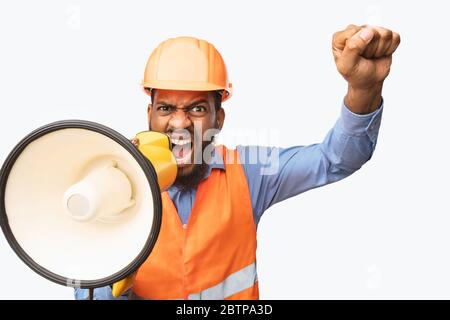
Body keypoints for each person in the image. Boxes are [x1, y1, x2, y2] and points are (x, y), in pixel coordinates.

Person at [75, 24, 400, 300]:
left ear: (219, 118)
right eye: (165, 109)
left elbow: (334, 161)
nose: (179, 123)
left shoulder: (249, 172)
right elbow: (83, 287)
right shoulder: (117, 184)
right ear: (149, 115)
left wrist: (363, 89)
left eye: (197, 109)